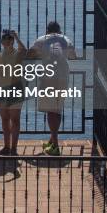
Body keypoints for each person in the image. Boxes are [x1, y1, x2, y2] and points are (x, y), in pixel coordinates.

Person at [28, 21, 77, 156]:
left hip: (49, 76)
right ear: (59, 31)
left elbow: (30, 55)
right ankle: (52, 140)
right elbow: (73, 56)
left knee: (51, 111)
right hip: (63, 77)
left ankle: (55, 145)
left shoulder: (41, 40)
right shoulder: (66, 39)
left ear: (47, 31)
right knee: (57, 108)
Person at [0, 30, 27, 156]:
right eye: (4, 39)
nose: (6, 41)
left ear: (12, 41)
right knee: (5, 118)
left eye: (9, 39)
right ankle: (7, 147)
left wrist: (16, 36)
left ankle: (13, 149)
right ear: (2, 42)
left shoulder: (17, 54)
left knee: (15, 119)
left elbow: (25, 50)